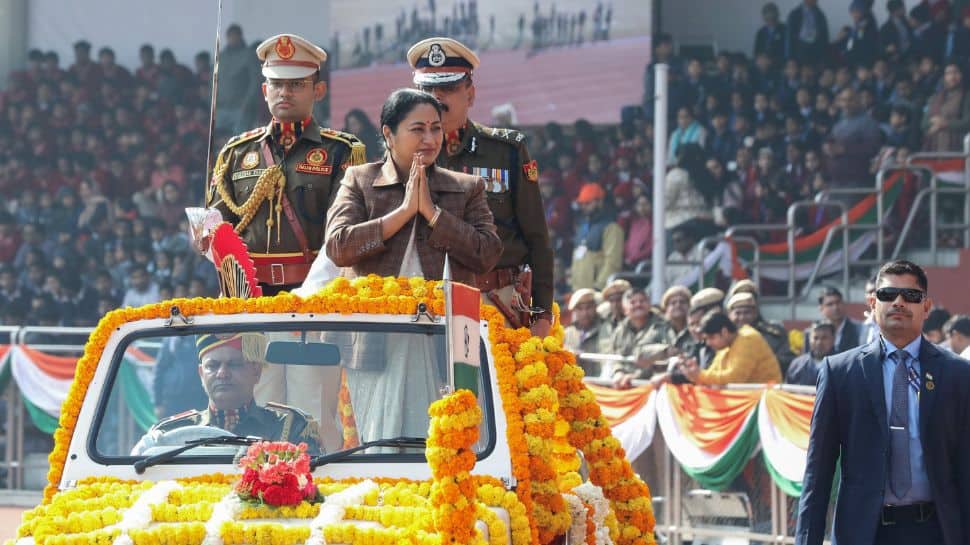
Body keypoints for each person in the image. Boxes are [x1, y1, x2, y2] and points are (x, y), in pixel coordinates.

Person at [325, 89, 501, 442]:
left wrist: (434, 215)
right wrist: (403, 213)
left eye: (436, 129)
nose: (429, 139)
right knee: (378, 442)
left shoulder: (465, 188)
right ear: (388, 134)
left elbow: (487, 253)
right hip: (375, 340)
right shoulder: (361, 180)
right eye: (417, 129)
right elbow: (338, 246)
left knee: (444, 443)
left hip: (444, 337)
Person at [796, 260, 970, 544]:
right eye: (888, 295)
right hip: (864, 532)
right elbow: (818, 472)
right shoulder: (840, 372)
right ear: (872, 303)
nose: (899, 302)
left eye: (911, 296)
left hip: (936, 531)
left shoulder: (958, 374)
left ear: (926, 307)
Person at [407, 37, 554, 336]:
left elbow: (537, 237)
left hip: (495, 303)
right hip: (423, 306)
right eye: (427, 90)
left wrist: (542, 314)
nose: (436, 98)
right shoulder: (403, 153)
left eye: (447, 88)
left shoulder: (505, 151)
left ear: (470, 95)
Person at [205, 34, 366, 294]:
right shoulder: (236, 152)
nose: (284, 92)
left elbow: (345, 230)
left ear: (319, 90)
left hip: (316, 291)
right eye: (276, 84)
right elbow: (217, 227)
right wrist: (203, 234)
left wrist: (314, 290)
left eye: (296, 84)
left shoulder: (341, 151)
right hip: (247, 292)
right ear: (265, 91)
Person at [133, 333, 322, 455]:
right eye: (212, 366)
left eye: (234, 364)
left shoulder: (291, 427)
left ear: (256, 371)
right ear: (201, 374)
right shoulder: (171, 434)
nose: (222, 373)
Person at [680, 311, 782, 385]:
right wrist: (692, 373)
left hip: (765, 404)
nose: (708, 343)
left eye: (711, 338)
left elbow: (735, 378)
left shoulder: (748, 338)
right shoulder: (725, 347)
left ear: (724, 332)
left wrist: (699, 375)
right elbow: (712, 374)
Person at [725, 289, 796, 374]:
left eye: (747, 313)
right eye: (738, 313)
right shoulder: (724, 337)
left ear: (755, 313)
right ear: (729, 315)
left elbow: (788, 360)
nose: (742, 317)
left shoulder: (773, 335)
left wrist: (763, 360)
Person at [570, 183, 623, 291]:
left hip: (598, 291)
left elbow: (613, 262)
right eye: (582, 204)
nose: (583, 207)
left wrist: (599, 286)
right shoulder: (582, 226)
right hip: (579, 291)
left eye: (588, 203)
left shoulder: (612, 227)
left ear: (600, 201)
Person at [922, 62, 970, 152]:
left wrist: (945, 124)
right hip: (933, 149)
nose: (952, 77)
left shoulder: (967, 97)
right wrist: (934, 124)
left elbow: (968, 123)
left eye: (956, 72)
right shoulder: (933, 98)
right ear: (944, 77)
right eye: (948, 73)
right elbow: (923, 124)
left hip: (958, 150)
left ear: (962, 75)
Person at [563, 288, 611, 376]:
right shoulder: (568, 332)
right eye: (580, 309)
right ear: (574, 311)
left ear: (595, 307)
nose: (585, 313)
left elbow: (608, 357)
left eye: (588, 308)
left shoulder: (607, 328)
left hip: (599, 383)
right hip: (574, 382)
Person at [808, 286, 862, 354]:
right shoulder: (813, 332)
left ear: (843, 304)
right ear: (821, 309)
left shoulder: (859, 329)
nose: (835, 307)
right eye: (830, 304)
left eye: (838, 302)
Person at [785, 320, 836, 386]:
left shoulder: (841, 365)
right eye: (815, 338)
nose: (819, 342)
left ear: (833, 339)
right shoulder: (797, 365)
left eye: (824, 338)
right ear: (809, 339)